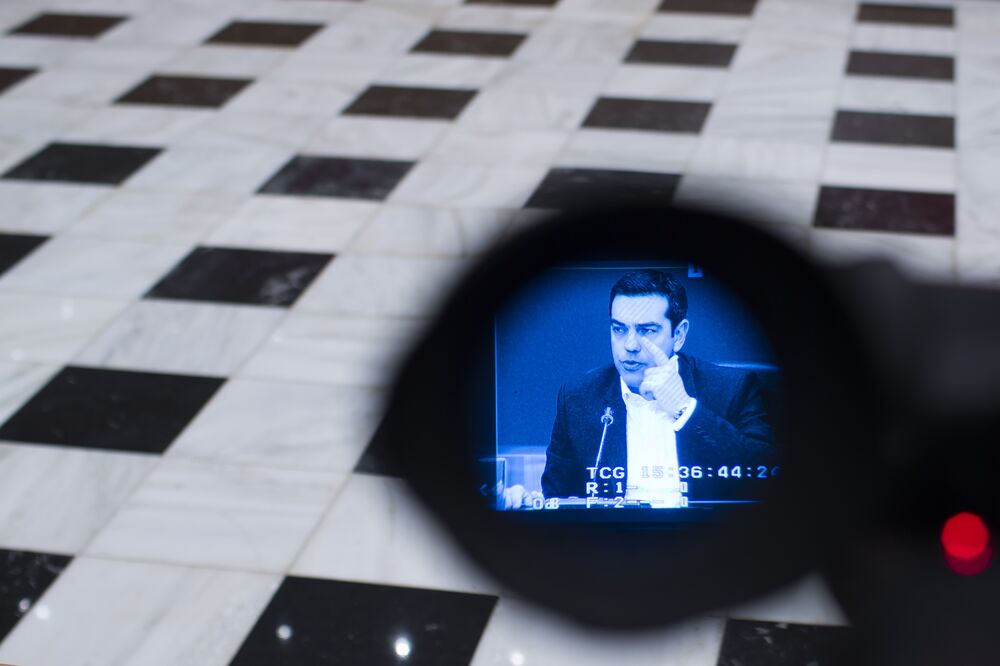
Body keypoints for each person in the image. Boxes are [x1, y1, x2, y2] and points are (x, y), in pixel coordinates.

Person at [504, 269, 773, 509]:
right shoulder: (578, 399)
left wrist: (685, 409)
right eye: (619, 329)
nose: (630, 345)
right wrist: (529, 502)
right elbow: (558, 499)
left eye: (647, 330)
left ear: (678, 335)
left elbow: (766, 477)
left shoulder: (731, 388)